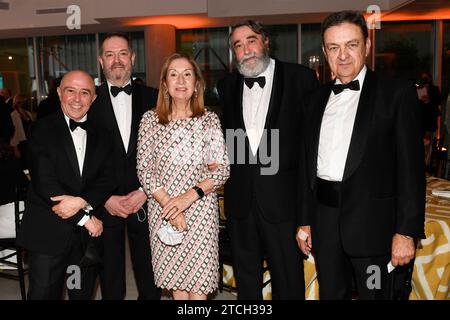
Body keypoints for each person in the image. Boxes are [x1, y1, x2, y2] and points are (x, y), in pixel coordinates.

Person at [297, 11, 425, 300]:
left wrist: (406, 233)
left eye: (351, 45)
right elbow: (307, 167)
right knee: (331, 294)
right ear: (325, 51)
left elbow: (411, 171)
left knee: (375, 294)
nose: (342, 55)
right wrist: (305, 221)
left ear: (366, 46)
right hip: (325, 225)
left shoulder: (395, 93)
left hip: (374, 231)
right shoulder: (314, 100)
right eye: (333, 47)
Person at [217, 20, 319, 300]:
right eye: (238, 45)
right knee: (246, 282)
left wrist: (305, 214)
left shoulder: (301, 79)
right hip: (240, 204)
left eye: (250, 40)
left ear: (265, 41)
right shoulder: (227, 85)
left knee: (288, 281)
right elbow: (235, 143)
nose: (246, 49)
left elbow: (310, 152)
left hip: (283, 205)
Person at [137, 52, 230, 300]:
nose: (180, 80)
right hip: (163, 210)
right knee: (177, 285)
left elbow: (221, 170)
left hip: (200, 213)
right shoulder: (150, 120)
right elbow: (145, 170)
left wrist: (187, 198)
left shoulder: (209, 120)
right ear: (165, 84)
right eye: (173, 75)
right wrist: (171, 206)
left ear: (197, 84)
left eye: (187, 74)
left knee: (199, 286)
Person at [16, 70, 115, 299]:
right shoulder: (41, 129)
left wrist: (82, 201)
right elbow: (45, 184)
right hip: (48, 235)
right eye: (71, 91)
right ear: (60, 93)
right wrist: (84, 218)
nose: (77, 99)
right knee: (43, 295)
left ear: (94, 98)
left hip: (84, 243)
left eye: (85, 92)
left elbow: (109, 177)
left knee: (80, 292)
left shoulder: (103, 133)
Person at [89, 32, 160, 300]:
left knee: (150, 269)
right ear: (100, 61)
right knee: (109, 272)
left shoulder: (155, 98)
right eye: (109, 54)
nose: (116, 60)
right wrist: (104, 197)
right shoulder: (87, 102)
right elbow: (81, 157)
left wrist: (145, 190)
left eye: (122, 53)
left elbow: (163, 151)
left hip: (147, 197)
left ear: (132, 57)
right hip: (104, 199)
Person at [10, 94, 33, 165]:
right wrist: (15, 149)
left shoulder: (28, 113)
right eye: (25, 101)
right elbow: (14, 133)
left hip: (30, 142)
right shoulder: (14, 115)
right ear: (19, 102)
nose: (27, 103)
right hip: (21, 143)